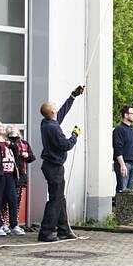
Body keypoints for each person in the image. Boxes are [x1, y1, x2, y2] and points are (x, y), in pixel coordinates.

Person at [37, 85, 84, 242]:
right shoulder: (52, 128)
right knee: (55, 200)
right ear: (51, 113)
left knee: (59, 198)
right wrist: (74, 135)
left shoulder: (47, 123)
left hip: (51, 166)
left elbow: (61, 113)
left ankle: (64, 230)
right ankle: (46, 232)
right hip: (54, 167)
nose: (57, 108)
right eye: (54, 108)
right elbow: (65, 145)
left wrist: (73, 96)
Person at [1, 126, 35, 233]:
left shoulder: (24, 143)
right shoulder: (5, 143)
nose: (12, 132)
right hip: (7, 175)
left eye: (14, 130)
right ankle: (4, 223)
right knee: (4, 201)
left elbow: (32, 157)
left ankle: (13, 223)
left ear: (19, 132)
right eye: (10, 130)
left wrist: (27, 155)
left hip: (20, 176)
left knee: (16, 200)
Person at [0, 120, 25, 236]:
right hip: (0, 176)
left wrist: (12, 144)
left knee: (13, 199)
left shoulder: (7, 142)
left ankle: (14, 225)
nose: (2, 127)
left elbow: (17, 151)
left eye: (2, 125)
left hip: (10, 175)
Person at [112, 105, 133, 194]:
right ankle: (119, 208)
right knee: (122, 190)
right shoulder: (119, 130)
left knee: (130, 192)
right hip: (124, 163)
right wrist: (122, 165)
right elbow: (118, 148)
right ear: (126, 115)